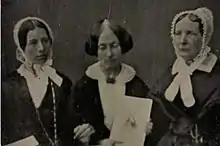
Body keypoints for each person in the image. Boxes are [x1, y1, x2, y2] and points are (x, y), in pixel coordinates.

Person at [1, 17, 88, 146]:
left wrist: (83, 131)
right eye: (33, 42)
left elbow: (73, 127)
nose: (41, 48)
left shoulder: (62, 83)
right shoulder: (6, 87)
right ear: (21, 48)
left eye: (45, 41)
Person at [72, 19, 153, 145]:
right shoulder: (83, 86)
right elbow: (71, 127)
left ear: (122, 47)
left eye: (114, 46)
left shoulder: (136, 84)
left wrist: (147, 128)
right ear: (95, 50)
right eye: (103, 47)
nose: (109, 54)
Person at [149, 7, 220, 146]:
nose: (182, 40)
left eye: (190, 34)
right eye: (178, 33)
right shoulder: (172, 73)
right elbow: (153, 107)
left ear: (203, 37)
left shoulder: (216, 75)